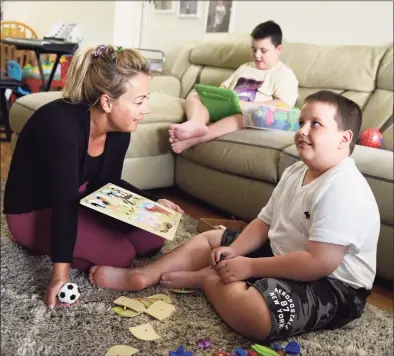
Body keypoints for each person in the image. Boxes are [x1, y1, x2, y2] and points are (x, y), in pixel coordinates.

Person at [90, 91, 379, 342]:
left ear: (344, 139)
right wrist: (234, 251)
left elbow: (319, 263)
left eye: (315, 124)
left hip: (332, 284)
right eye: (301, 122)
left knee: (256, 317)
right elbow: (264, 223)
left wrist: (250, 268)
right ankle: (143, 275)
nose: (302, 130)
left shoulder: (343, 188)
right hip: (286, 253)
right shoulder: (295, 171)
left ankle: (206, 280)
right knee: (213, 239)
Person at [3, 44, 183, 310]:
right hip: (35, 210)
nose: (147, 109)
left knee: (155, 234)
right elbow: (63, 204)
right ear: (107, 101)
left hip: (82, 192)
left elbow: (107, 186)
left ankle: (97, 235)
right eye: (139, 101)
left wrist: (153, 201)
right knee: (121, 254)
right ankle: (73, 245)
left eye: (146, 99)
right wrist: (60, 276)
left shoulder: (120, 127)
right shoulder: (61, 126)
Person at [169, 20, 298, 154]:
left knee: (241, 117)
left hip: (249, 114)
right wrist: (217, 97)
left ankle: (195, 139)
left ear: (278, 49)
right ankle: (196, 123)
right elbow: (224, 87)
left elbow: (284, 105)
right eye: (254, 49)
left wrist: (247, 105)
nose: (257, 55)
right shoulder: (245, 67)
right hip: (228, 106)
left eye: (263, 51)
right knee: (195, 95)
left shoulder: (284, 74)